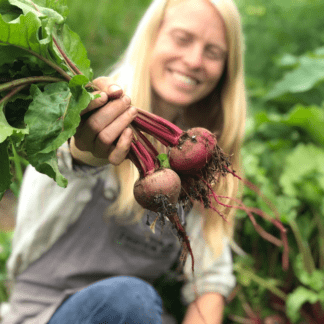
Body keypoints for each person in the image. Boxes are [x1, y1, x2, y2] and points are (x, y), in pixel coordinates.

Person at [2, 0, 246, 323]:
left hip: (137, 315)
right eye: (182, 38)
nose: (194, 60)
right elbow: (70, 158)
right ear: (151, 37)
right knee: (132, 298)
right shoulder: (87, 111)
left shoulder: (192, 164)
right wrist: (88, 149)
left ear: (227, 67)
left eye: (213, 52)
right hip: (47, 313)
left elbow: (210, 283)